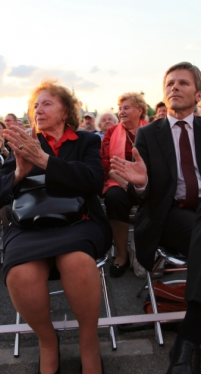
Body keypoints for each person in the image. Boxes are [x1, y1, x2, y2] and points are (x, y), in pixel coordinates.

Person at [0, 81, 112, 374]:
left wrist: (43, 160)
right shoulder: (24, 143)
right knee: (20, 274)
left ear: (65, 110)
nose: (38, 109)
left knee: (78, 261)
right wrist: (18, 173)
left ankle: (88, 341)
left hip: (79, 222)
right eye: (35, 105)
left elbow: (94, 181)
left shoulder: (86, 141)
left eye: (47, 103)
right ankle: (47, 341)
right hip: (29, 228)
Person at [110, 62, 201, 374]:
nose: (174, 87)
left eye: (183, 83)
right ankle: (188, 340)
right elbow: (142, 198)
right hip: (170, 216)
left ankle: (186, 341)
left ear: (198, 93)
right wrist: (141, 183)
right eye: (170, 83)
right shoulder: (149, 135)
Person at [101, 92, 147, 277]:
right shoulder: (112, 133)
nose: (121, 112)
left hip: (148, 181)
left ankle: (146, 253)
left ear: (140, 110)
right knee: (114, 198)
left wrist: (141, 182)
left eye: (126, 108)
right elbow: (105, 164)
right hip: (118, 181)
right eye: (120, 109)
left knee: (159, 197)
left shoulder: (153, 130)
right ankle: (121, 255)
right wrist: (127, 183)